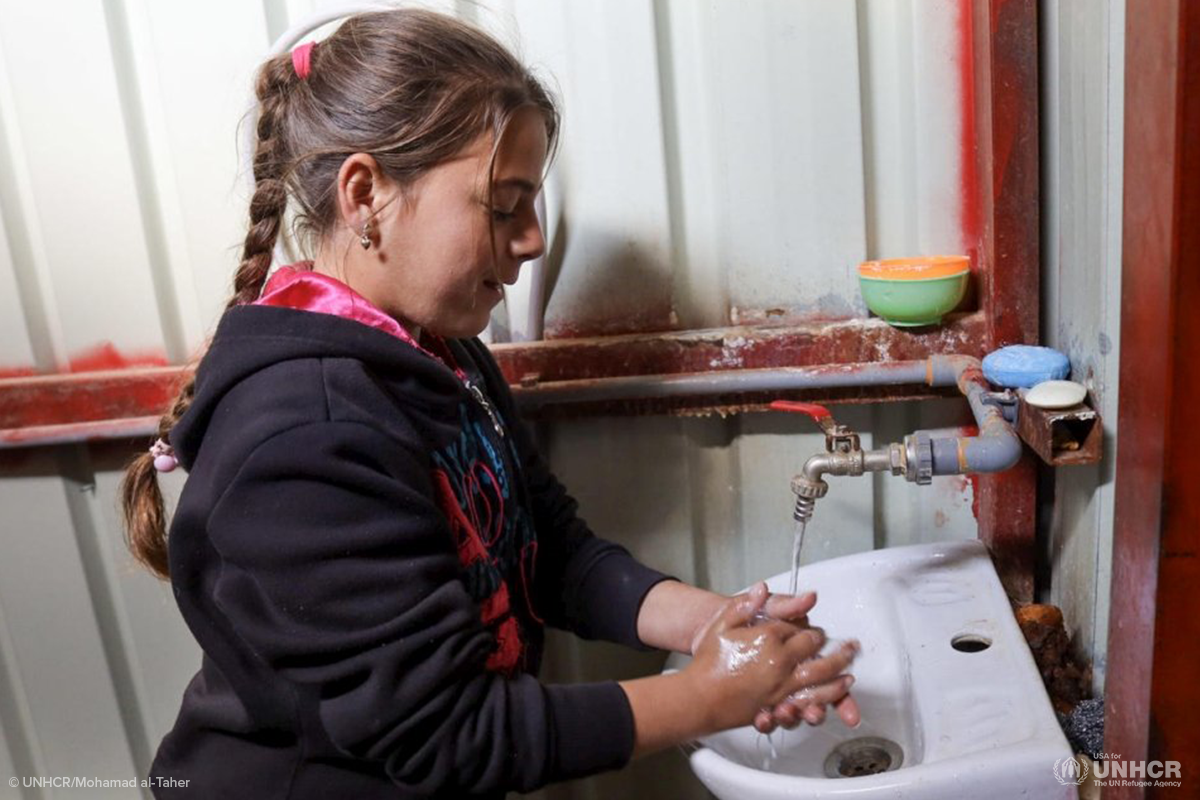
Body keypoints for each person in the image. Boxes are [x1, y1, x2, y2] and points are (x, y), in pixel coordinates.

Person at [120, 9, 859, 799]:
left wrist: (711, 625)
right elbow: (448, 730)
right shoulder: (307, 435)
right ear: (365, 193)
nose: (534, 238)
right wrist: (710, 695)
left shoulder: (439, 351)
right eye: (504, 205)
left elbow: (545, 550)